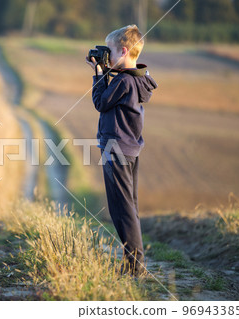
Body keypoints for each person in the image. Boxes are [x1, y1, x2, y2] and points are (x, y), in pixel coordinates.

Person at [85, 25, 157, 276]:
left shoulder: (124, 81)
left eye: (111, 53)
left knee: (121, 209)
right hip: (129, 149)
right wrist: (106, 71)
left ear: (124, 51)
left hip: (115, 148)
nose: (108, 58)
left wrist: (98, 73)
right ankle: (134, 264)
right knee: (129, 206)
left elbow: (100, 102)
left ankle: (135, 267)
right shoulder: (139, 78)